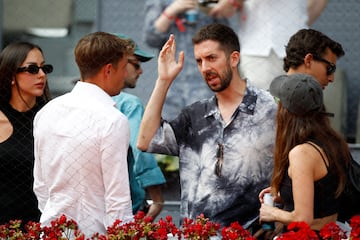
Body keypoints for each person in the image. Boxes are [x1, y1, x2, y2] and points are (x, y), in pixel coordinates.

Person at [137, 23, 277, 229]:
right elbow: (145, 141)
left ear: (234, 58)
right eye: (199, 61)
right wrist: (163, 80)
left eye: (211, 58)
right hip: (194, 234)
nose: (205, 68)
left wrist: (275, 224)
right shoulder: (195, 115)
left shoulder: (269, 110)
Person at [33, 32, 134, 236]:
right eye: (123, 68)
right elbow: (118, 200)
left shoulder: (46, 112)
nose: (125, 75)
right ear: (108, 70)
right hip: (94, 233)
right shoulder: (112, 120)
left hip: (51, 231)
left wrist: (57, 226)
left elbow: (41, 185)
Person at [258, 74, 351, 232]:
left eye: (278, 102)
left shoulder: (302, 153)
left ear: (286, 112)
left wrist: (272, 212)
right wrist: (286, 193)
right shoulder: (333, 142)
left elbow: (303, 219)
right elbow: (323, 197)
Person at [144, 0, 238, 120]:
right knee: (170, 133)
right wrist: (172, 10)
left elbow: (226, 38)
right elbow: (151, 38)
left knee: (208, 132)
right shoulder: (160, 2)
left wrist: (214, 8)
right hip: (172, 86)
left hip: (205, 82)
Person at [112, 34, 166, 219]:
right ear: (116, 63)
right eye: (136, 64)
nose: (141, 71)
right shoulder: (129, 104)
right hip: (124, 207)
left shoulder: (70, 103)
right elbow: (140, 147)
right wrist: (156, 197)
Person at [0, 42, 53, 226]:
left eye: (44, 68)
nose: (41, 75)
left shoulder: (52, 119)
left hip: (44, 227)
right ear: (11, 75)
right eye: (32, 69)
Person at [238, 0, 328, 90]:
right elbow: (227, 9)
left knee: (299, 99)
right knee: (261, 101)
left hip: (294, 48)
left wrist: (296, 22)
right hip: (259, 51)